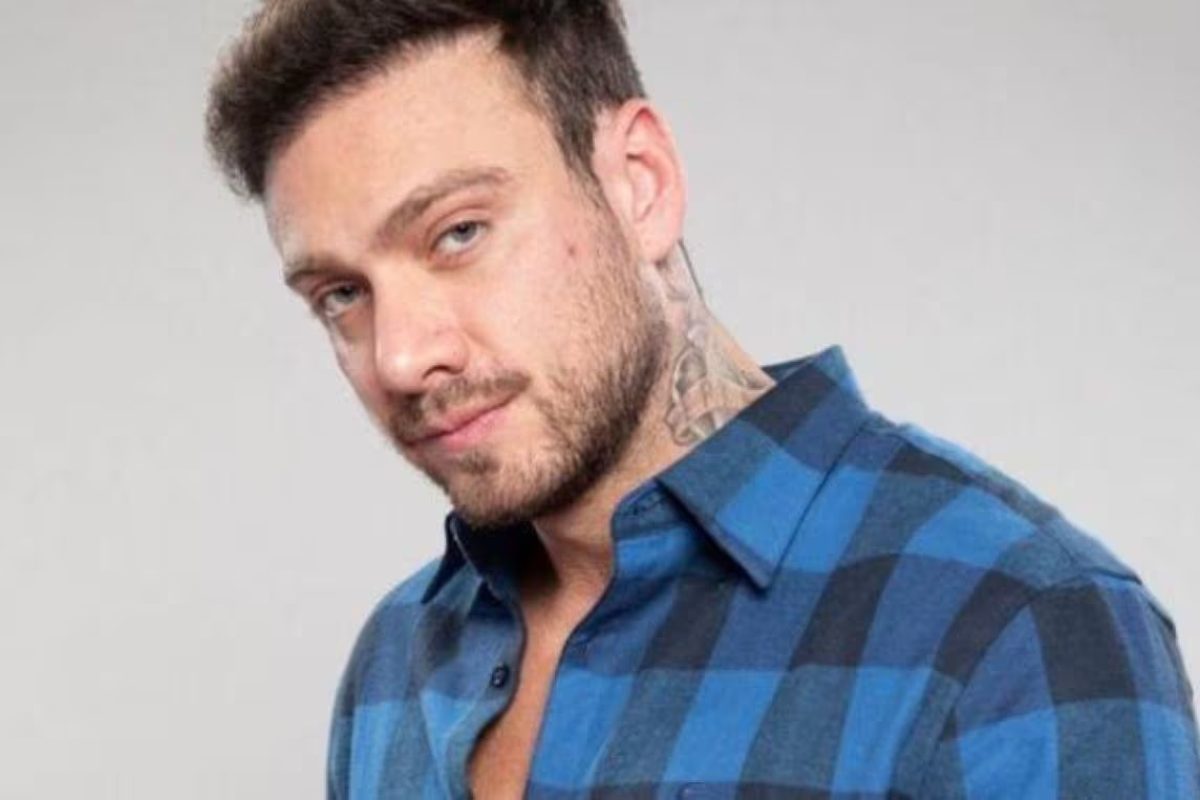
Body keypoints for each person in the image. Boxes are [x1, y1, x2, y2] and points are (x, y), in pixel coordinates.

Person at [205, 1, 1200, 797]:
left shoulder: (1016, 625)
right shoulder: (396, 664)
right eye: (341, 294)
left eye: (458, 233)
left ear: (639, 183)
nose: (401, 355)